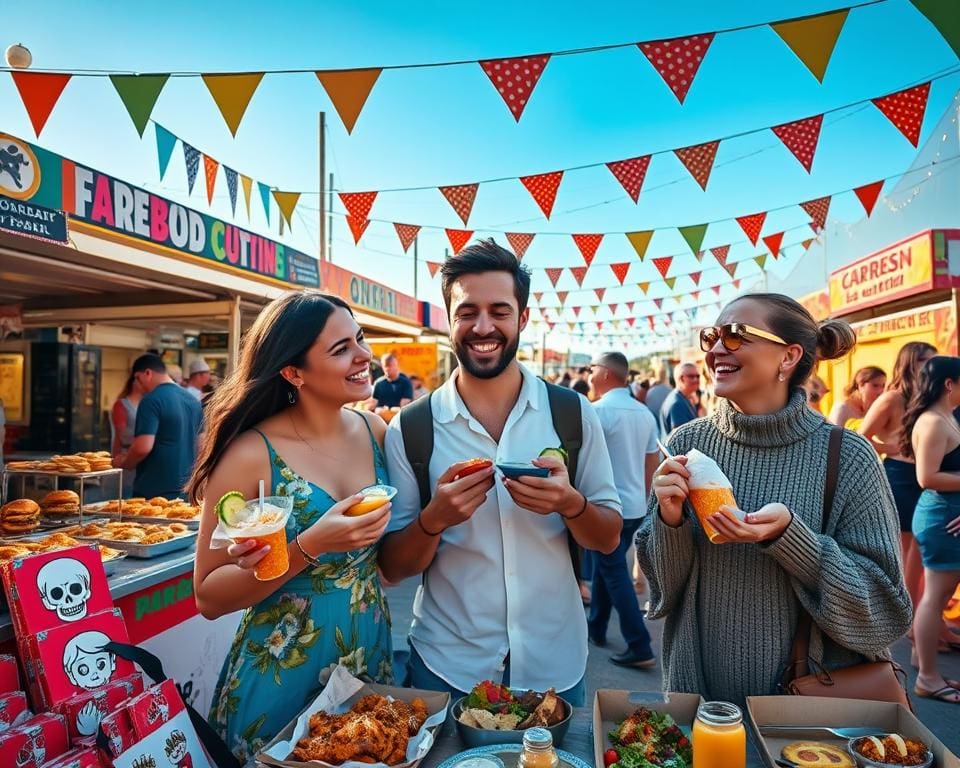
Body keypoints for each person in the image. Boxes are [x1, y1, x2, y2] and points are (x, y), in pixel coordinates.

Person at [379, 239, 622, 706]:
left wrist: (572, 504)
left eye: (499, 311)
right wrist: (434, 519)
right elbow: (393, 567)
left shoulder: (572, 414)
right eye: (467, 311)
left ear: (523, 318)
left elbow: (608, 538)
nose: (483, 327)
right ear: (449, 319)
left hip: (555, 663)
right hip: (447, 666)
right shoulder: (412, 428)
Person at [637, 293, 911, 705]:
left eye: (735, 336)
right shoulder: (686, 443)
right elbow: (662, 591)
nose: (714, 349)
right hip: (699, 697)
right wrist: (670, 521)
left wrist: (792, 539)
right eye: (712, 336)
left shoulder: (847, 456)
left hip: (806, 709)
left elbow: (884, 612)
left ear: (788, 357)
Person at [189, 291, 394, 763]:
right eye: (340, 349)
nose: (364, 356)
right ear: (293, 372)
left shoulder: (376, 433)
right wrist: (309, 545)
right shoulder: (249, 455)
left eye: (359, 340)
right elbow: (208, 595)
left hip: (368, 659)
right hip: (279, 669)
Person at [587, 351, 659, 668]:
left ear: (605, 373)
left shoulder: (597, 412)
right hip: (633, 506)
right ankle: (596, 627)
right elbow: (651, 462)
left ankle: (639, 644)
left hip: (605, 507)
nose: (588, 376)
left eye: (592, 370)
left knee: (614, 571)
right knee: (610, 564)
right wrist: (645, 501)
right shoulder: (643, 413)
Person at [859, 342, 937, 627]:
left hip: (926, 477)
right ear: (911, 362)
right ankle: (910, 622)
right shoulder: (892, 398)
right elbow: (860, 437)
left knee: (925, 552)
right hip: (900, 477)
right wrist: (891, 447)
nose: (932, 365)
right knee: (908, 552)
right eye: (927, 359)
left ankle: (928, 622)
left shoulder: (928, 395)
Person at [899, 355, 960, 704]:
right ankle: (927, 677)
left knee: (934, 597)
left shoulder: (945, 417)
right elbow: (927, 477)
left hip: (943, 515)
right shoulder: (935, 421)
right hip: (942, 517)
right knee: (934, 597)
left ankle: (925, 663)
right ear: (950, 384)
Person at [114, 354, 203, 499]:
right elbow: (202, 446)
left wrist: (126, 462)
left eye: (137, 378)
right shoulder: (192, 400)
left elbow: (143, 447)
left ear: (147, 373)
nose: (136, 383)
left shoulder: (151, 400)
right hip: (186, 490)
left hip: (154, 492)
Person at [109, 374, 145, 497]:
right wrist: (146, 439)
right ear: (134, 382)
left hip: (141, 457)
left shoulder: (147, 403)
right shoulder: (121, 404)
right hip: (124, 455)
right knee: (126, 494)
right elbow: (122, 434)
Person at [660, 363, 700, 434]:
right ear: (681, 379)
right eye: (691, 376)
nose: (696, 380)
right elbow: (682, 439)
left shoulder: (683, 398)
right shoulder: (677, 405)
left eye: (697, 376)